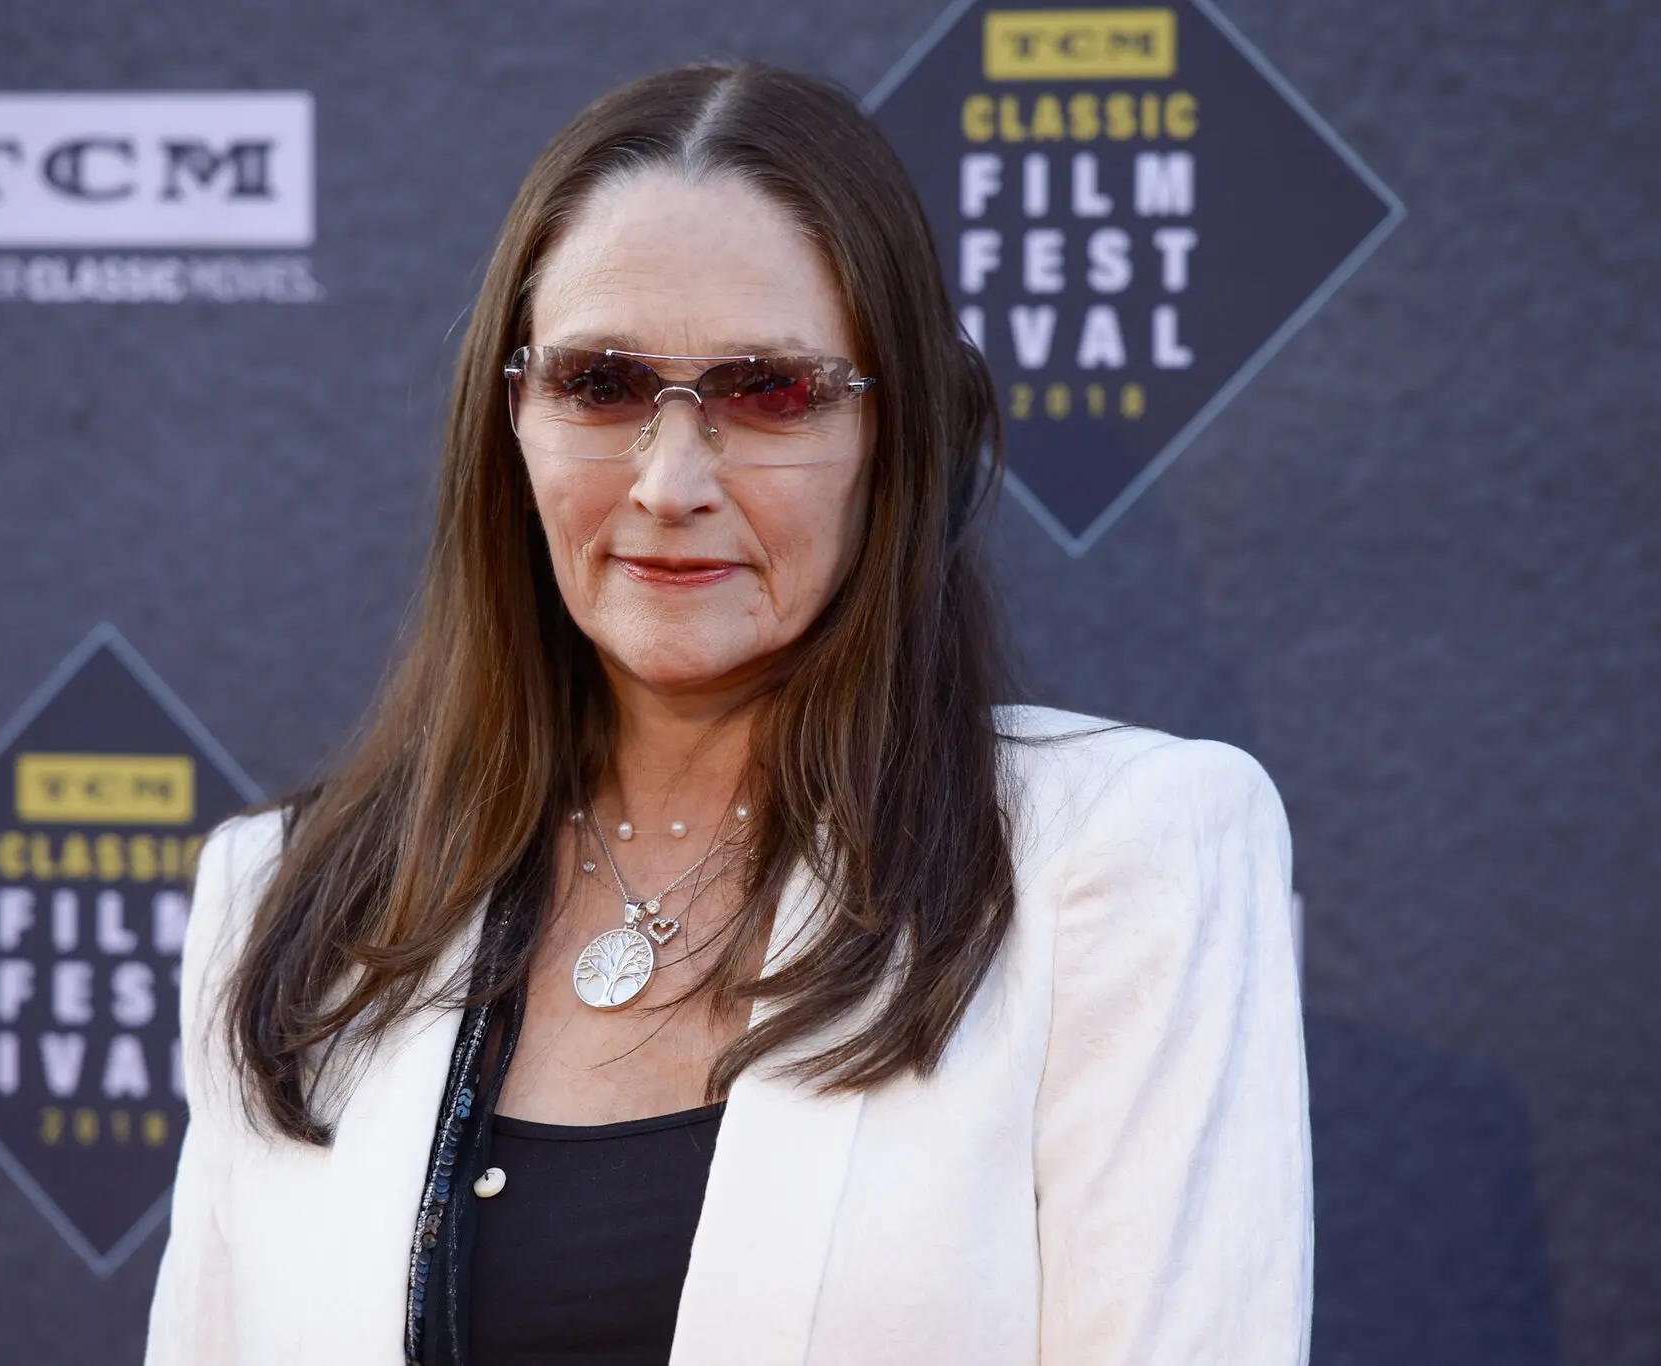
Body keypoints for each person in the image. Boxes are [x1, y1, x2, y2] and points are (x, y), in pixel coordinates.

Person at [145, 60, 1310, 1366]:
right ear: (511, 419)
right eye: (602, 384)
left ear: (900, 432)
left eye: (769, 390)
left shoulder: (1115, 859)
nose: (669, 480)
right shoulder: (291, 900)